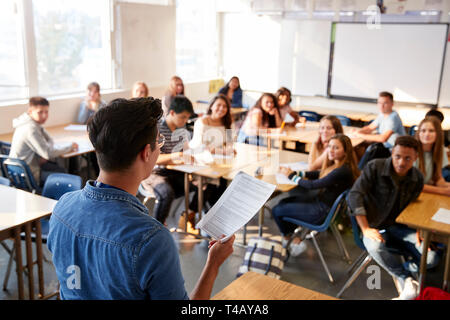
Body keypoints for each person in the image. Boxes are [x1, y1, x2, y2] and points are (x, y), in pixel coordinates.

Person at [47, 97, 235, 300]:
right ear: (147, 153)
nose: (160, 147)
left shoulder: (62, 207)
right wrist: (213, 264)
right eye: (159, 143)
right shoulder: (151, 239)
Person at [347, 135, 439, 300]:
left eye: (407, 158)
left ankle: (406, 269)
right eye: (397, 156)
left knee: (431, 258)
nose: (401, 162)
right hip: (372, 225)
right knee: (375, 248)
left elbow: (413, 205)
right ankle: (406, 277)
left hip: (399, 228)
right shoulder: (375, 167)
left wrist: (419, 227)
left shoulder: (416, 178)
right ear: (391, 153)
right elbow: (354, 196)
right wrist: (366, 228)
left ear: (416, 158)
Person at [273, 134, 359, 256]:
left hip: (321, 212)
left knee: (277, 210)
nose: (331, 150)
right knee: (283, 203)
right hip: (321, 205)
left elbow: (313, 185)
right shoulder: (339, 165)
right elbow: (318, 174)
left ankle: (288, 241)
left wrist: (291, 176)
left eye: (336, 148)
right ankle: (294, 238)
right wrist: (296, 173)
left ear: (346, 151)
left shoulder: (342, 171)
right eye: (329, 146)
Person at [141, 95, 199, 226]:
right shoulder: (157, 129)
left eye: (187, 118)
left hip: (174, 173)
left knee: (201, 187)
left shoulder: (181, 130)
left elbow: (185, 152)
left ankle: (187, 216)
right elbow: (152, 159)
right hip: (153, 173)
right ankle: (157, 228)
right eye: (183, 117)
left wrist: (187, 157)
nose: (185, 121)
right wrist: (176, 156)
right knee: (166, 193)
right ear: (172, 113)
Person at [9, 97, 78, 186]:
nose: (44, 115)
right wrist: (70, 147)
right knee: (63, 173)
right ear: (30, 111)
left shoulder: (30, 123)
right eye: (40, 112)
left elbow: (49, 141)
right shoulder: (31, 129)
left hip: (19, 169)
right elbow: (47, 153)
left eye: (46, 112)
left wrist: (45, 152)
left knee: (56, 166)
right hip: (27, 174)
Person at [414, 116, 450, 196]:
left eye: (431, 131)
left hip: (424, 194)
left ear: (438, 133)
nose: (427, 134)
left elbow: (439, 180)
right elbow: (413, 185)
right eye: (423, 130)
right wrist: (443, 191)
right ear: (418, 133)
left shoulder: (441, 150)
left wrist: (447, 186)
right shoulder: (412, 151)